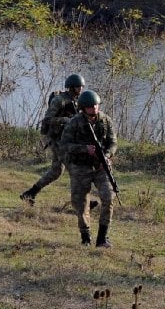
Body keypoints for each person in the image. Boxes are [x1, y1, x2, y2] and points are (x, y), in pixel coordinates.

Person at [58, 90, 117, 247]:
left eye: (96, 105)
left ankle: (102, 238)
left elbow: (113, 143)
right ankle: (86, 237)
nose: (95, 109)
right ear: (84, 108)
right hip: (80, 166)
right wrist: (84, 149)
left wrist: (107, 154)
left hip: (101, 166)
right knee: (80, 202)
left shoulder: (105, 121)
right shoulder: (74, 123)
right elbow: (64, 146)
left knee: (109, 196)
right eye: (91, 106)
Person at [20, 73, 85, 204]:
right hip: (56, 140)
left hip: (67, 139)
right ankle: (82, 202)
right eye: (78, 87)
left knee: (56, 171)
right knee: (75, 169)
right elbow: (47, 119)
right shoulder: (59, 100)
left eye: (82, 86)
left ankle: (30, 193)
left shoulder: (77, 101)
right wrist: (65, 120)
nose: (81, 89)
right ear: (71, 87)